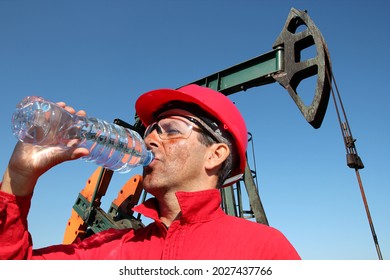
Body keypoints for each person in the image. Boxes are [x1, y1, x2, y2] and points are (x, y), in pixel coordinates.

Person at [0, 84, 300, 260]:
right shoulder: (112, 248)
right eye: (150, 130)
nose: (150, 139)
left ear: (215, 154)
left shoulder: (264, 250)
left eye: (171, 130)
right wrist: (18, 178)